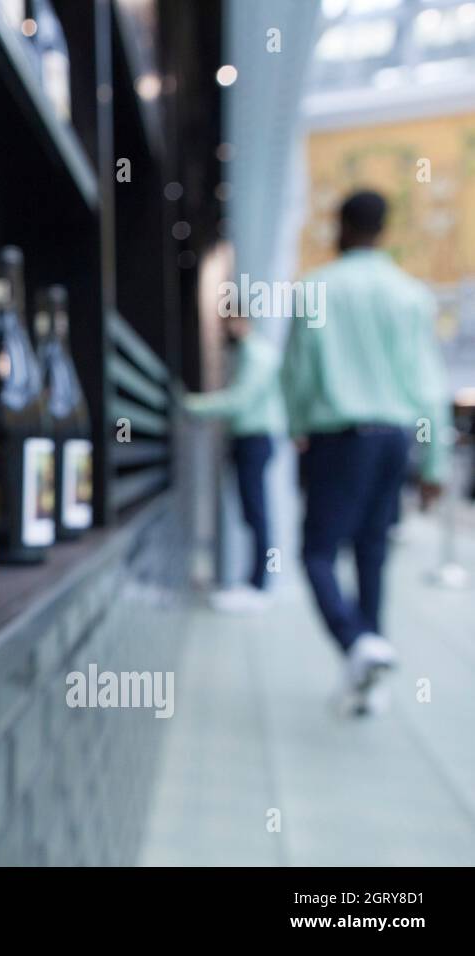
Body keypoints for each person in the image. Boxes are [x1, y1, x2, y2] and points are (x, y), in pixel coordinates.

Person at [282, 190, 450, 716]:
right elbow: (427, 385)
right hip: (395, 439)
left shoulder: (316, 289)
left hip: (339, 440)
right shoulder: (409, 295)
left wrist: (296, 424)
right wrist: (434, 461)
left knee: (317, 552)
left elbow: (297, 375)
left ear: (342, 226)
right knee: (372, 552)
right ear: (384, 228)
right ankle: (368, 681)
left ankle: (356, 641)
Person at [184, 314, 285, 613]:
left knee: (257, 512)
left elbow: (240, 400)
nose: (225, 330)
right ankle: (254, 581)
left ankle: (259, 584)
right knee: (252, 512)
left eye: (230, 322)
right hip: (248, 440)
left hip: (255, 439)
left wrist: (194, 405)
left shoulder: (256, 354)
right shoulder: (246, 354)